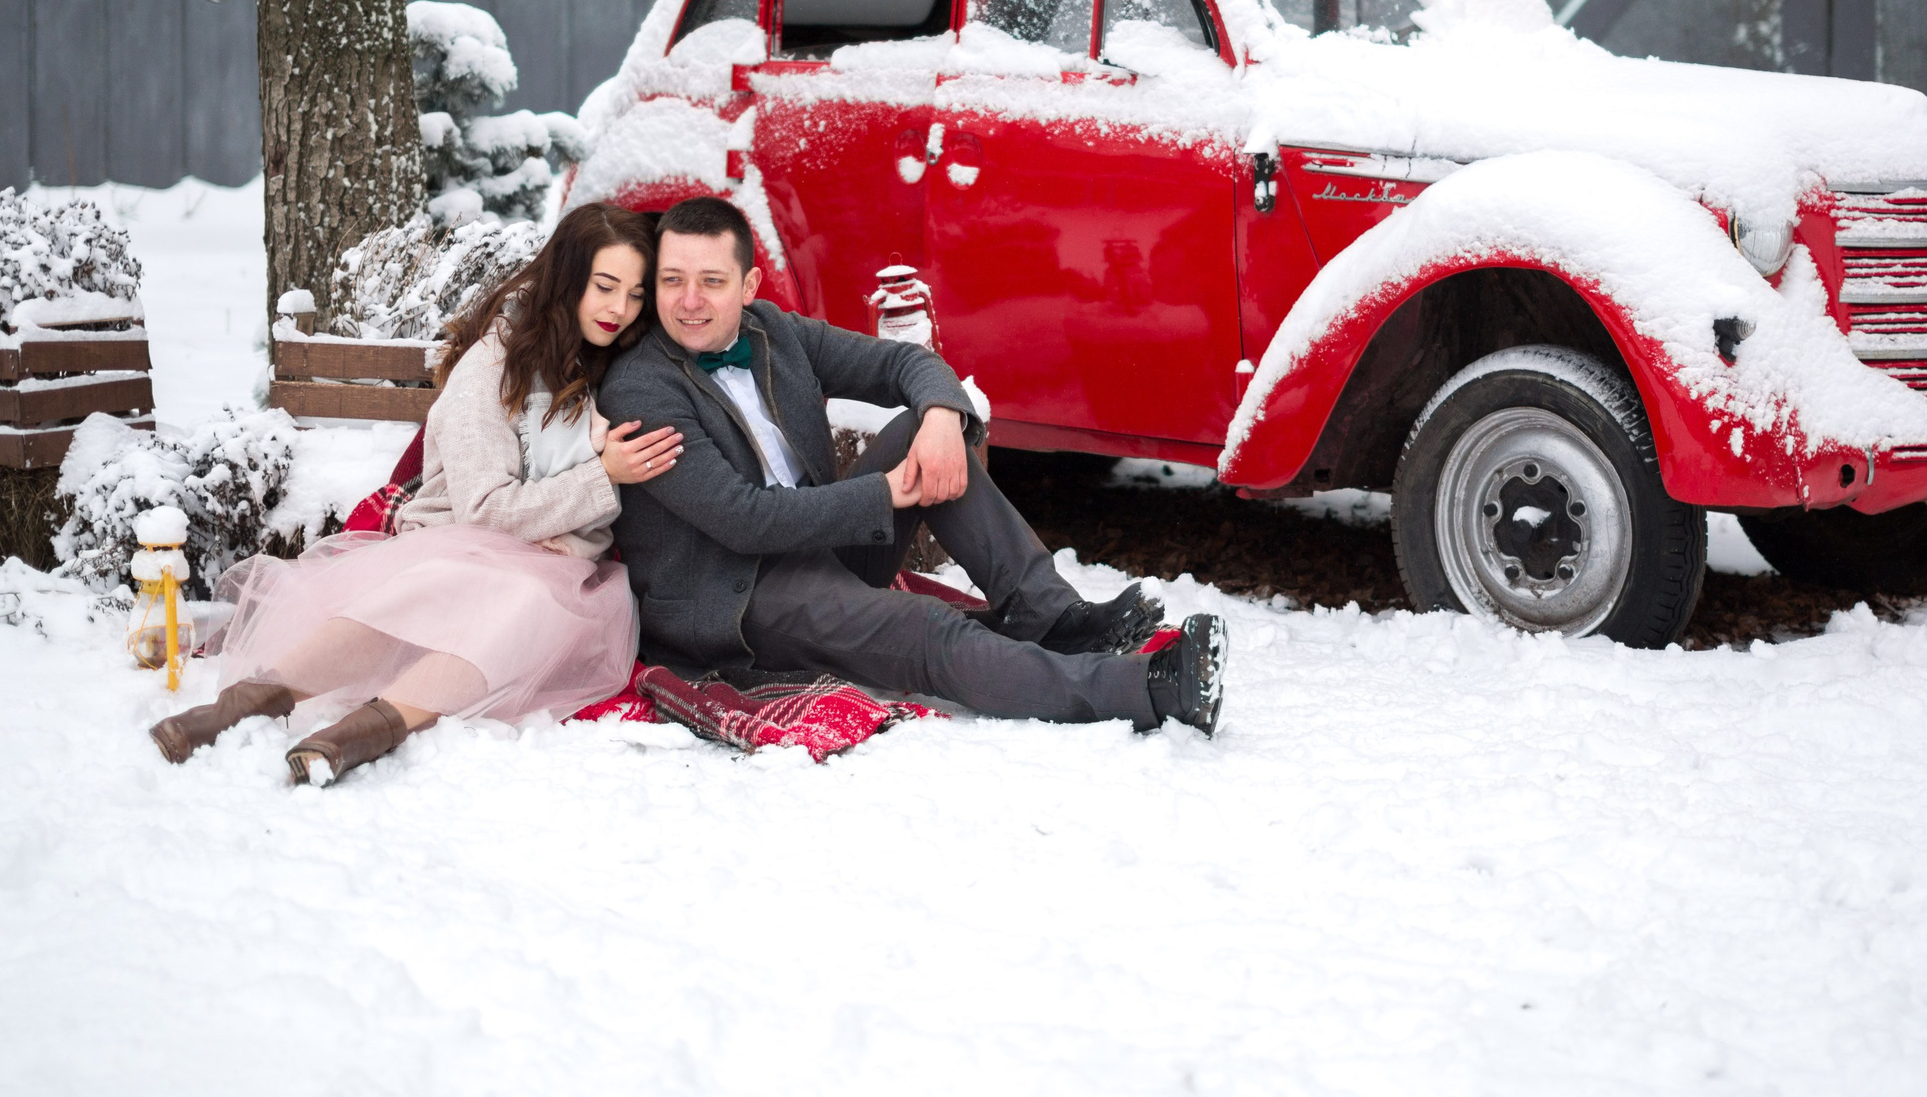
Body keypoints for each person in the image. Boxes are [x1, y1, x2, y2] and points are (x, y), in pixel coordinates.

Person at [599, 195, 1228, 734]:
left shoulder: (769, 329)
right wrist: (882, 496)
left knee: (915, 430)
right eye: (672, 280)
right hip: (737, 596)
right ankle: (1147, 690)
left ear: (749, 287)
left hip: (819, 548)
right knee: (927, 632)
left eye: (711, 281)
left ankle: (1051, 615)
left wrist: (939, 418)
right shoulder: (641, 387)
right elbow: (744, 521)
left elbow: (901, 364)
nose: (689, 301)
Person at [149, 204, 687, 785]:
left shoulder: (613, 366)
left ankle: (358, 735)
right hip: (464, 542)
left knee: (528, 597)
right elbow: (486, 510)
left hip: (564, 575)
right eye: (605, 287)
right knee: (462, 584)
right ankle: (239, 706)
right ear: (566, 279)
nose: (619, 309)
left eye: (635, 294)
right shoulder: (493, 365)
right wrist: (603, 477)